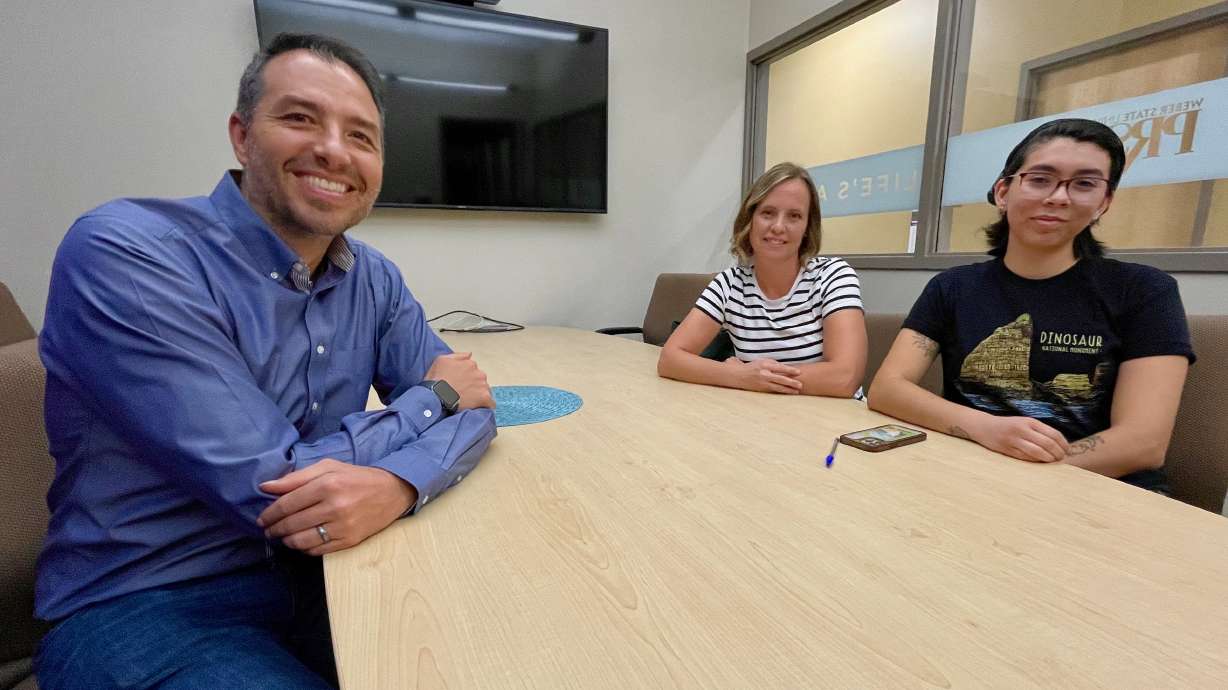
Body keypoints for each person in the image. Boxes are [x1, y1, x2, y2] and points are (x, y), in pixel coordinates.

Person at [34, 33, 497, 689]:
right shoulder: (127, 253)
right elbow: (277, 485)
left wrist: (399, 483)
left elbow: (476, 409)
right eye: (301, 118)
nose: (335, 150)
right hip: (145, 604)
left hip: (331, 574)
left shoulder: (374, 278)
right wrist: (431, 402)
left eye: (361, 137)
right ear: (242, 136)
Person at [868, 118, 1194, 492]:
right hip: (970, 477)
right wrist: (987, 429)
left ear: (1104, 202)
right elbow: (888, 388)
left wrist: (1020, 478)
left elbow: (1143, 443)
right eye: (1040, 179)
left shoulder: (1144, 290)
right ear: (1003, 192)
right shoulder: (952, 287)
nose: (1058, 197)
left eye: (1084, 184)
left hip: (1096, 489)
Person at [658, 162, 867, 397]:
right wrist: (739, 376)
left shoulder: (833, 276)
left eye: (794, 216)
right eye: (768, 213)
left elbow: (844, 377)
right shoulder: (729, 284)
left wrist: (754, 377)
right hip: (765, 414)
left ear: (807, 227)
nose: (778, 227)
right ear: (750, 220)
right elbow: (670, 359)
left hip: (838, 416)